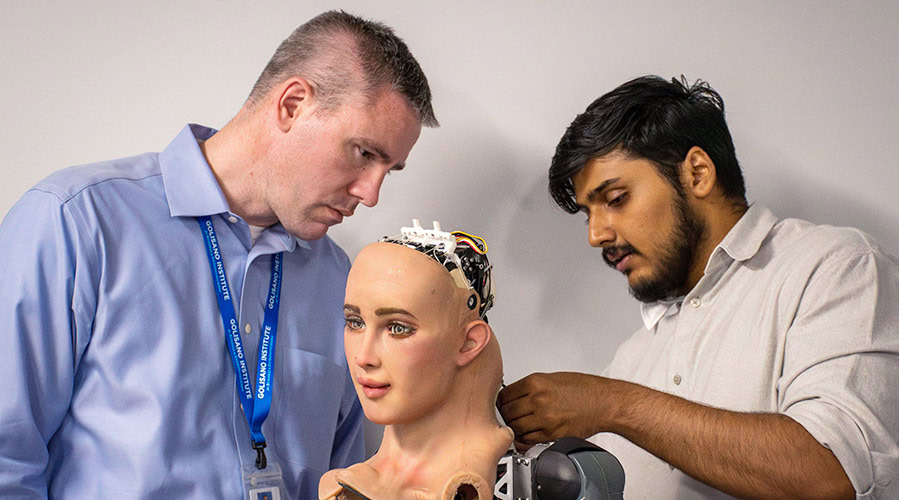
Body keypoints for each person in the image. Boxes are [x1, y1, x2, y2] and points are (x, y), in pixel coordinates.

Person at [0, 10, 437, 499]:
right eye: (363, 153)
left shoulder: (346, 284)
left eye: (389, 169)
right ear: (292, 105)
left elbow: (347, 477)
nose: (371, 193)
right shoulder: (76, 222)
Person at [498, 75, 899, 499]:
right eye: (587, 214)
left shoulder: (836, 267)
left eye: (615, 199)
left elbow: (832, 474)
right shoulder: (632, 358)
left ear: (698, 173)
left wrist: (612, 405)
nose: (596, 234)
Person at [319, 222, 513, 500]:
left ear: (469, 342)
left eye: (398, 328)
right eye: (355, 322)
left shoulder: (481, 486)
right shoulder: (340, 486)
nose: (363, 357)